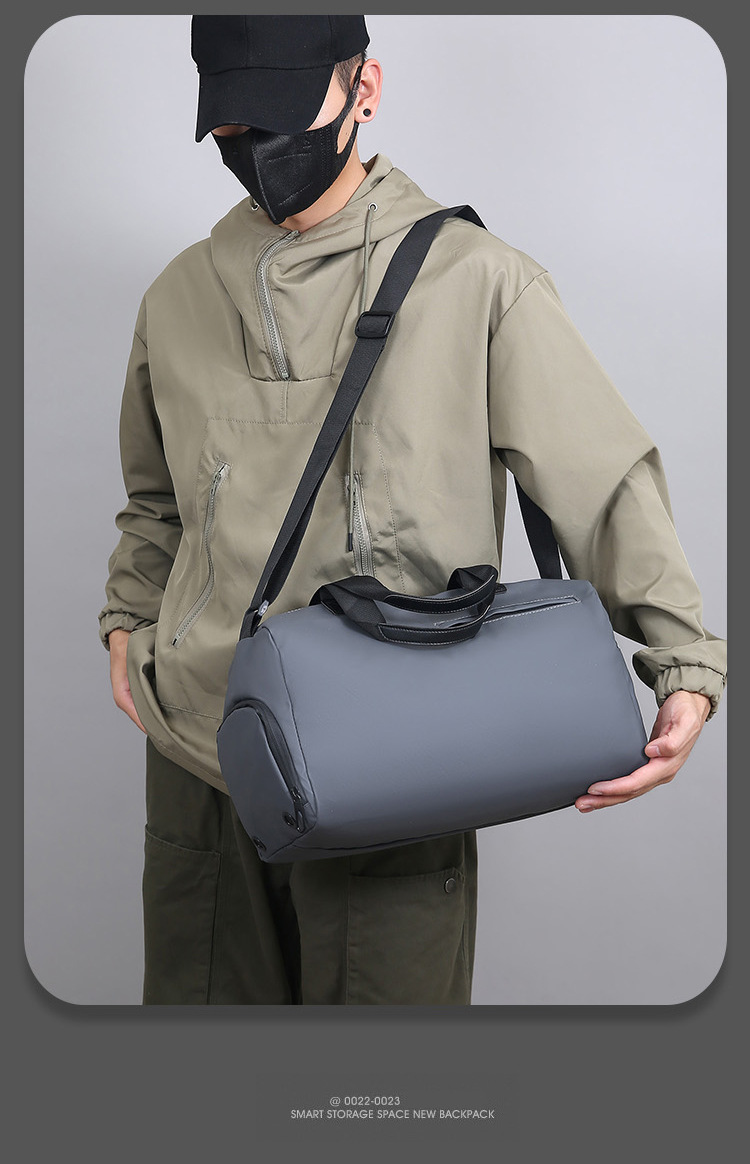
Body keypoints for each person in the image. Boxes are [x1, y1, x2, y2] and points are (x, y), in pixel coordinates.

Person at [99, 15, 726, 1006]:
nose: (255, 146)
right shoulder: (177, 296)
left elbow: (601, 479)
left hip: (390, 756)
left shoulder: (477, 280)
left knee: (384, 1078)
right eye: (232, 124)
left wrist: (683, 660)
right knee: (199, 1072)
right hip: (201, 746)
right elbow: (155, 502)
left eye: (279, 112)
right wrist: (126, 629)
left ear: (366, 89)